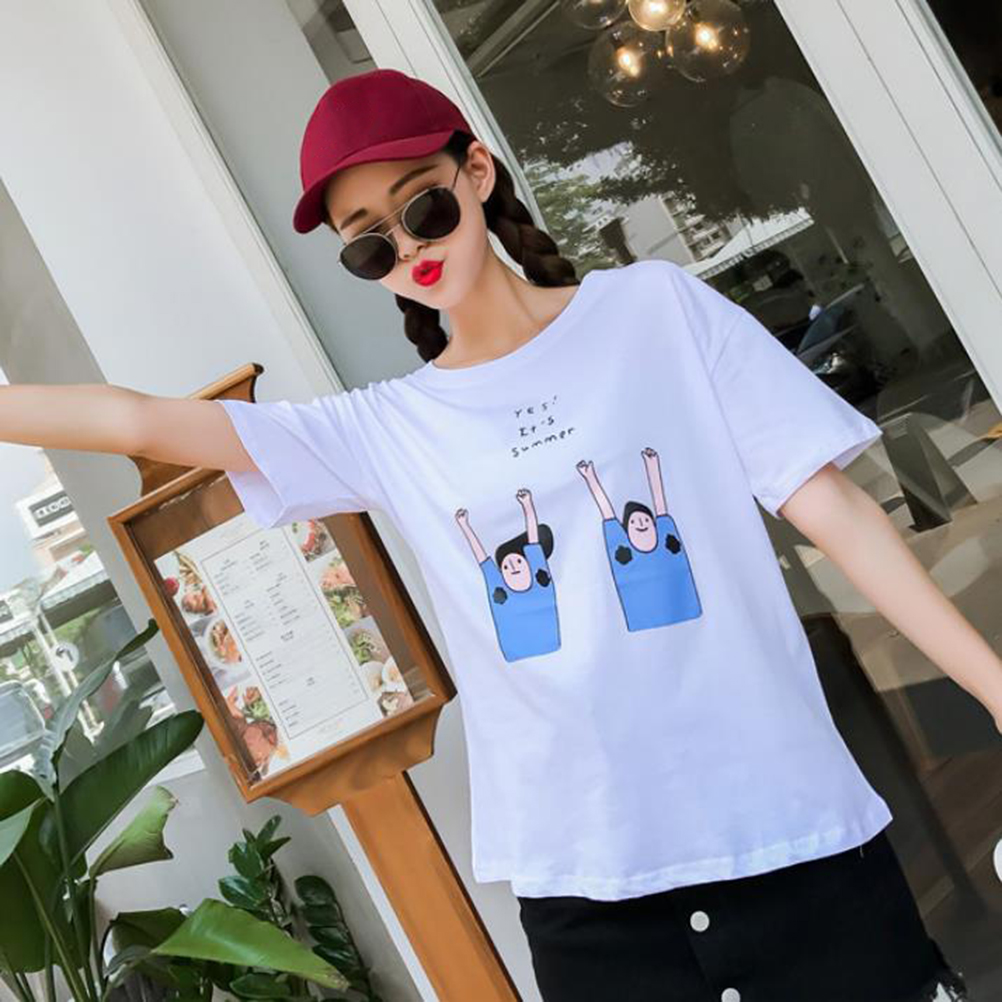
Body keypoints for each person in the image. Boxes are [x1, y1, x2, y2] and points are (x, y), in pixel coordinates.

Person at [1, 68, 990, 1001]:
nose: (408, 248)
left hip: (790, 832)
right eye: (369, 244)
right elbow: (137, 420)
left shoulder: (655, 312)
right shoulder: (387, 429)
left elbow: (838, 514)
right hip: (588, 890)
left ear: (476, 171)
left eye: (422, 207)